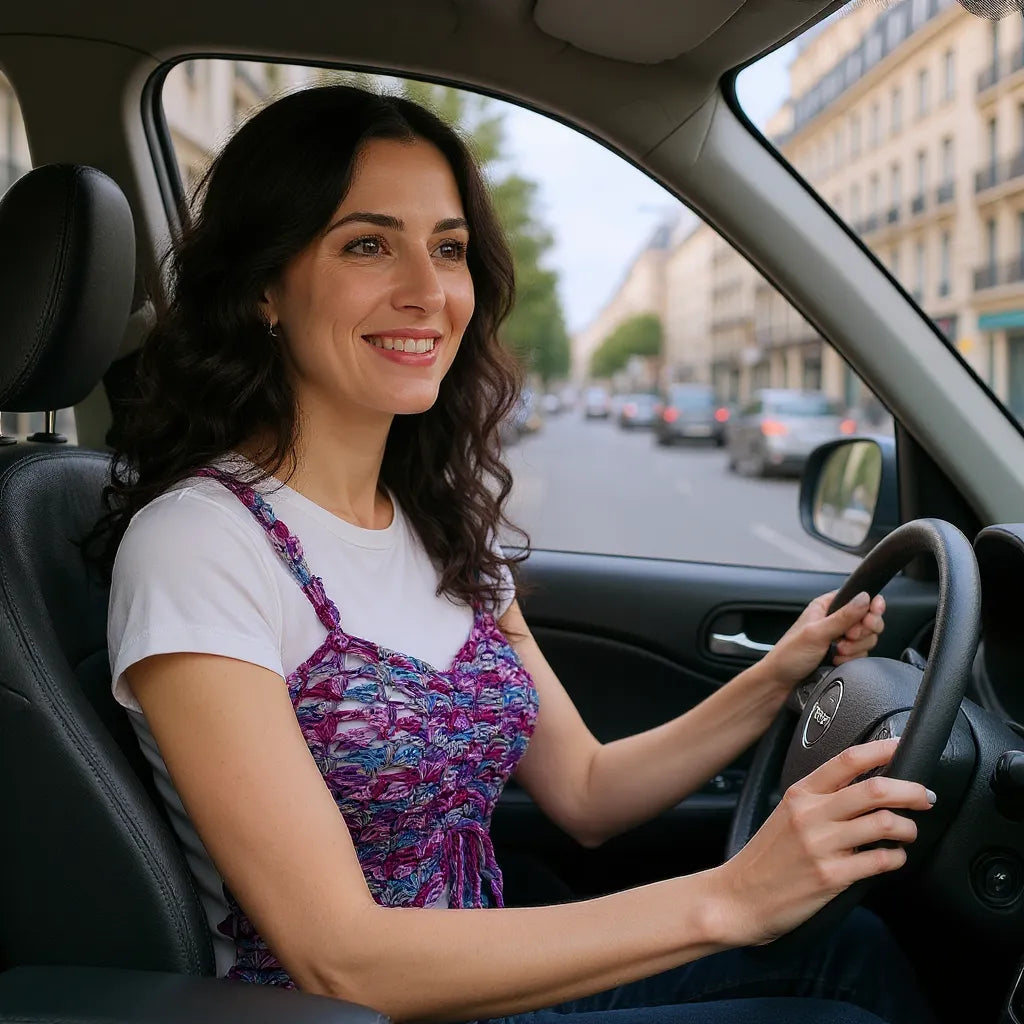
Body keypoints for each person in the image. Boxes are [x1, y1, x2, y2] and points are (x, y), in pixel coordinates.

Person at [86, 85, 936, 1024]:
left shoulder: (440, 521)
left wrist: (778, 677)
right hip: (355, 1011)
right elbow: (341, 959)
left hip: (489, 974)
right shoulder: (202, 545)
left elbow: (584, 791)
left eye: (448, 249)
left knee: (849, 954)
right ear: (263, 286)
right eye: (367, 243)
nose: (429, 290)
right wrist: (733, 899)